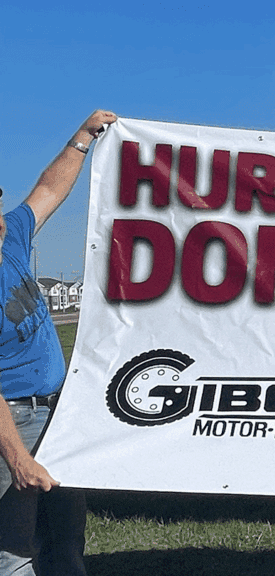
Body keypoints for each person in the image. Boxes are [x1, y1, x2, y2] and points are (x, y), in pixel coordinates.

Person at [0, 110, 117, 576]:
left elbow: (49, 191)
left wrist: (81, 139)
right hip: (14, 420)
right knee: (13, 549)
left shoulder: (10, 237)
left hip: (58, 410)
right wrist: (16, 458)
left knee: (67, 539)